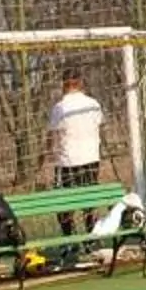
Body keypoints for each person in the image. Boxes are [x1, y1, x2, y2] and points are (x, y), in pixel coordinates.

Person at [45, 72, 106, 241]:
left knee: (64, 202)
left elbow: (52, 135)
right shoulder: (93, 104)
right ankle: (91, 236)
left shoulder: (60, 107)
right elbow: (99, 127)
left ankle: (70, 238)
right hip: (91, 159)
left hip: (68, 161)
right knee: (89, 200)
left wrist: (48, 154)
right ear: (81, 83)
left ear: (64, 84)